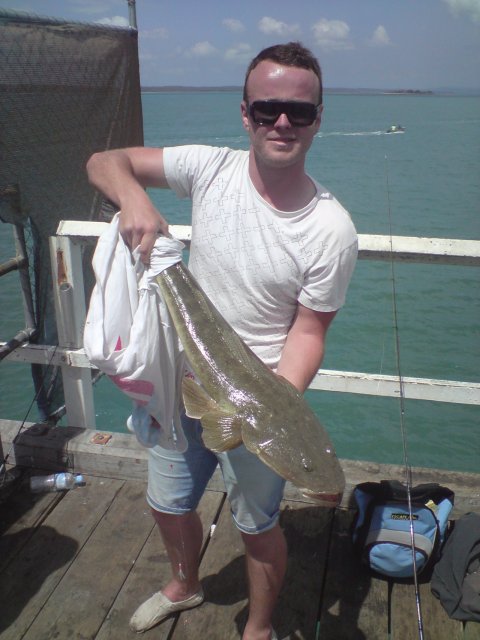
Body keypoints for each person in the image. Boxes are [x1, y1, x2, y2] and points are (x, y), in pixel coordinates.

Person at [86, 41, 357, 640]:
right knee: (169, 499)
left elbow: (309, 332)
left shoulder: (331, 229)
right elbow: (104, 161)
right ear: (245, 114)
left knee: (256, 523)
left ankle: (257, 629)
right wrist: (134, 198)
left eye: (299, 111)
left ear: (318, 119)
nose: (282, 121)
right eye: (267, 109)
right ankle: (185, 584)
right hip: (181, 385)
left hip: (260, 398)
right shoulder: (210, 167)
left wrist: (272, 410)